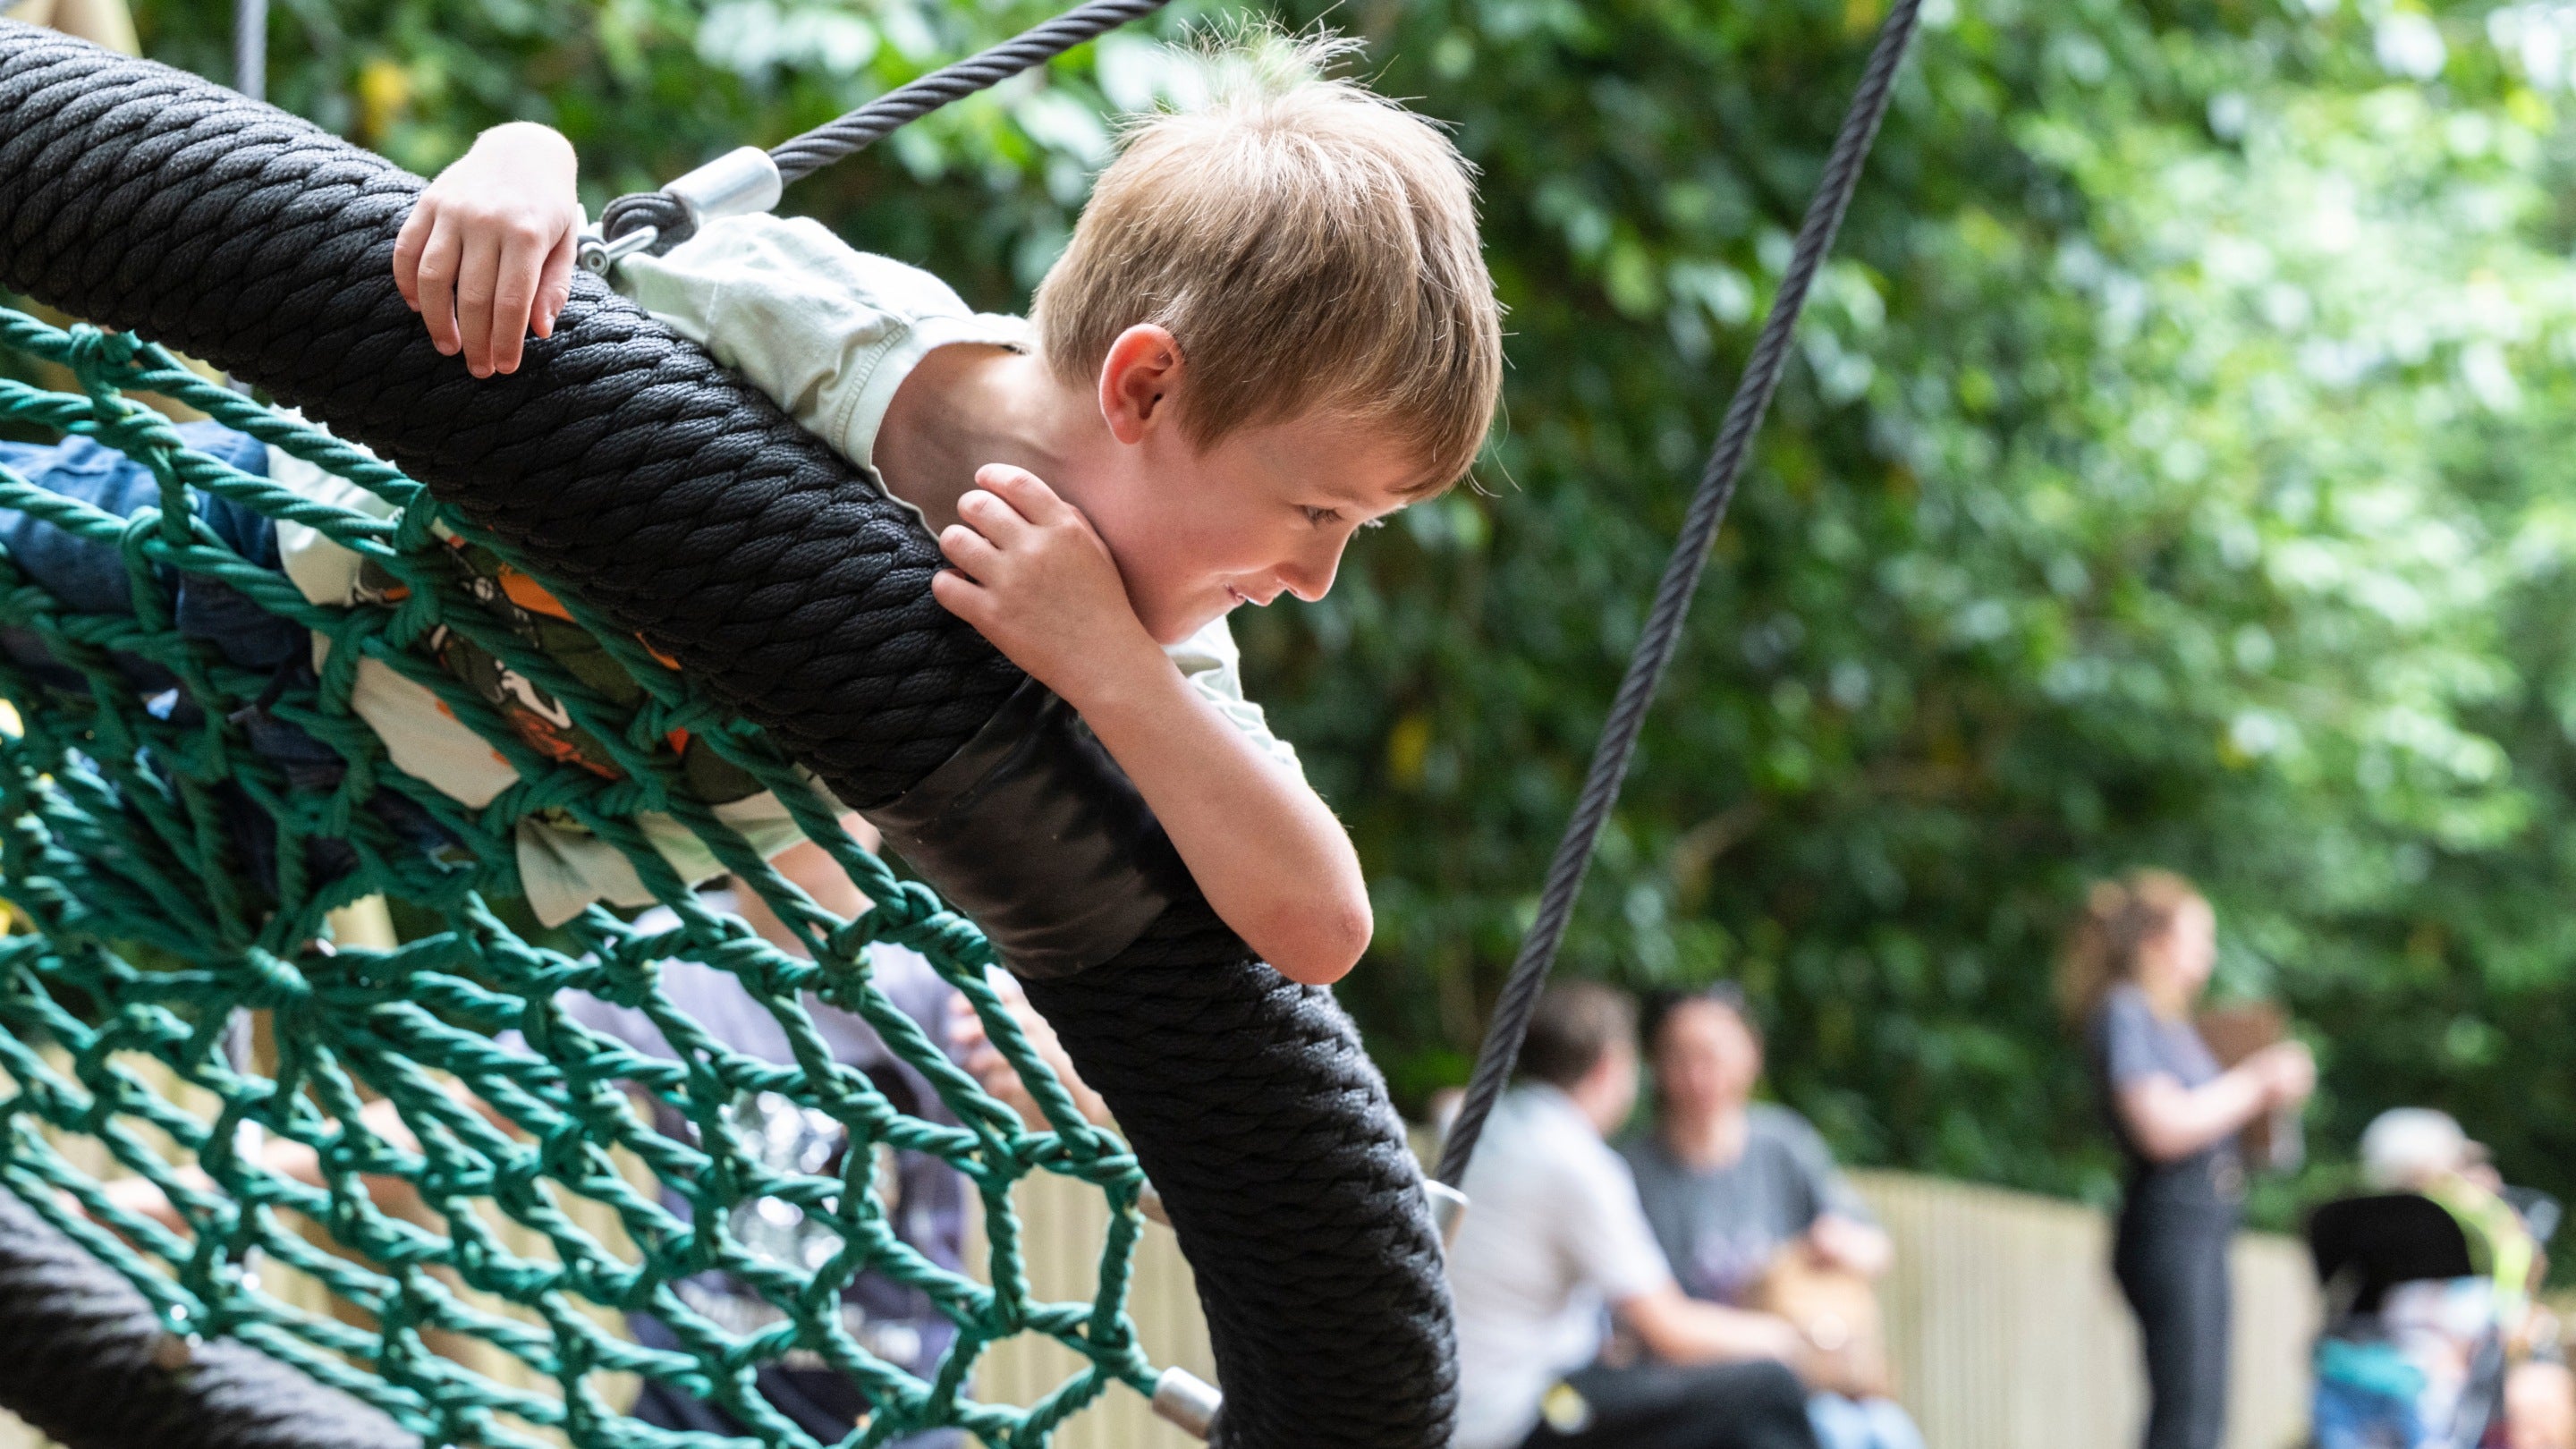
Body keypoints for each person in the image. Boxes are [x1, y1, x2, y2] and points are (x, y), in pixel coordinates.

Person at [0, 30, 1503, 982]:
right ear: (1146, 390)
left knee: (89, 940)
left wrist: (1104, 668)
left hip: (379, 815)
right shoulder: (816, 320)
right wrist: (519, 166)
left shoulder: (1139, 644)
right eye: (1317, 512)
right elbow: (554, 247)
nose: (1316, 579)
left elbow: (1320, 928)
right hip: (255, 559)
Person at [1447, 981, 1820, 1449]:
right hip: (1519, 1415)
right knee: (1768, 1388)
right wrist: (1787, 1338)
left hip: (1457, 1407)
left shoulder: (1494, 1129)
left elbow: (1446, 1107)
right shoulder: (1576, 1161)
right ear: (1609, 1066)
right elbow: (1670, 1329)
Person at [2061, 870, 2316, 1449]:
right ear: (2155, 943)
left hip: (2205, 1221)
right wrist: (2255, 1082)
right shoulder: (2125, 1010)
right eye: (2199, 939)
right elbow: (2161, 1126)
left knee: (2202, 1412)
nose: (2209, 956)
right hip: (2169, 1224)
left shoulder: (2173, 1024)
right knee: (2185, 1417)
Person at [1619, 987, 1921, 1449]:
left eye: (1712, 1056)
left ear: (1750, 1057)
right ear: (1657, 1066)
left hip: (1806, 1379)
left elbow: (1876, 1247)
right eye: (1680, 1057)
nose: (1698, 1075)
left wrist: (1840, 1244)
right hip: (1698, 1389)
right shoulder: (1632, 1172)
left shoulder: (1781, 1145)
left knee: (1886, 1433)